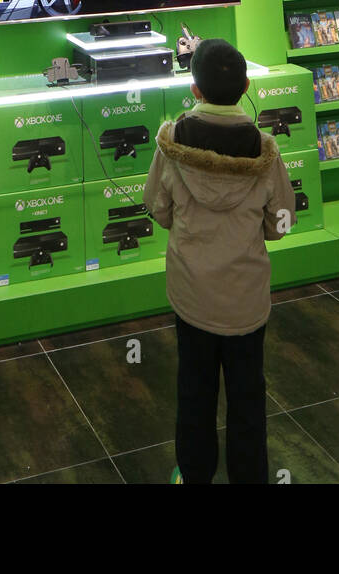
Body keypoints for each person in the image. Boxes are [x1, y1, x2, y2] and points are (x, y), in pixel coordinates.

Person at [143, 38, 296, 485]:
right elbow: (280, 223)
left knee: (194, 392)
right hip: (246, 301)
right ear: (247, 85)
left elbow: (159, 210)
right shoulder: (266, 151)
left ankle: (194, 476)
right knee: (248, 397)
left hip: (192, 296)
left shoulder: (171, 145)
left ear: (195, 90)